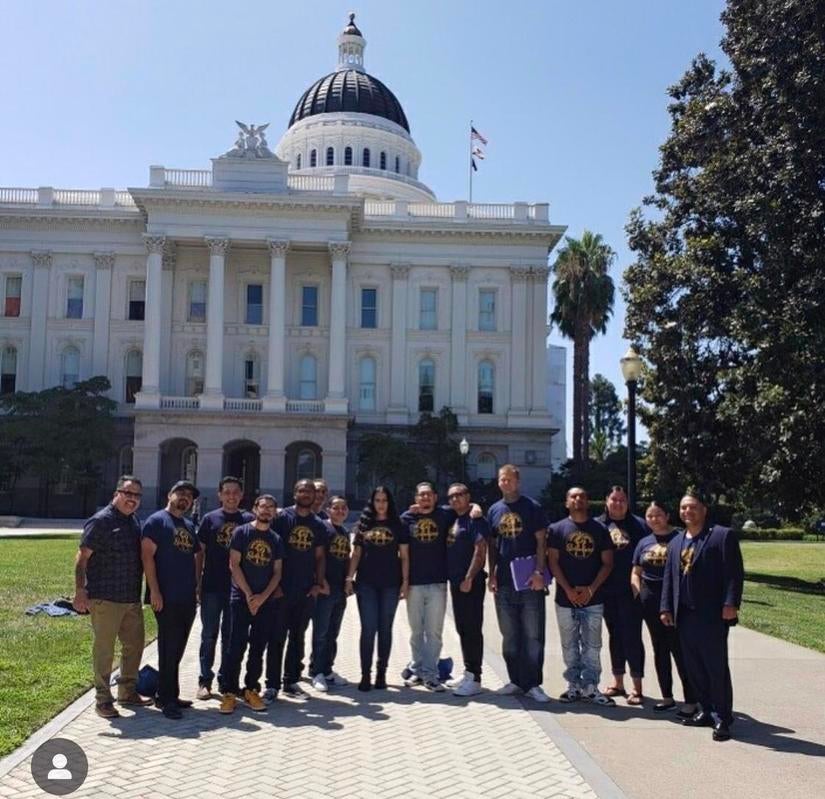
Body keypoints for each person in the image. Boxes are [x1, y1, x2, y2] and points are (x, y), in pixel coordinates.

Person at [660, 490, 744, 742]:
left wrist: (731, 603)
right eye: (683, 507)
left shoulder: (721, 536)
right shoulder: (676, 542)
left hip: (711, 615)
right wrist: (665, 607)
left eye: (692, 507)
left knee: (715, 667)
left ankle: (723, 717)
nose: (687, 511)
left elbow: (734, 573)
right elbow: (669, 579)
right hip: (684, 615)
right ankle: (706, 710)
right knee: (694, 666)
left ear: (704, 510)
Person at [73, 475, 151, 719]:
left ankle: (127, 692)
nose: (132, 499)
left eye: (137, 495)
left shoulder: (133, 521)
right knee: (105, 651)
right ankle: (103, 699)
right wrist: (80, 590)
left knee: (134, 646)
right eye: (128, 493)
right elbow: (81, 559)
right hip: (105, 598)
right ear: (117, 493)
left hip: (130, 598)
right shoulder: (101, 521)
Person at [487, 464, 551, 702]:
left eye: (509, 479)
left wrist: (539, 572)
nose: (505, 483)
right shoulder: (494, 510)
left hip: (529, 582)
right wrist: (491, 573)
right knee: (510, 635)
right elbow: (492, 545)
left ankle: (533, 684)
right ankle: (515, 681)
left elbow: (541, 542)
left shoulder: (532, 507)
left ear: (518, 481)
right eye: (502, 479)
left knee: (533, 635)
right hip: (504, 582)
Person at [547, 486, 616, 705]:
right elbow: (553, 561)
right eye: (573, 496)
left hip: (593, 599)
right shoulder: (556, 529)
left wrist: (590, 589)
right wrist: (568, 589)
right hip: (565, 599)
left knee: (592, 645)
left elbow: (608, 563)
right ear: (567, 502)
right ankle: (574, 685)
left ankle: (591, 687)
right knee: (569, 645)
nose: (578, 499)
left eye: (582, 496)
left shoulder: (600, 529)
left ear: (588, 501)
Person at [141, 480, 203, 719]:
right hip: (165, 597)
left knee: (178, 648)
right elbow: (147, 558)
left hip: (186, 597)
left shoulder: (188, 525)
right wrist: (154, 591)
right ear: (169, 494)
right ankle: (167, 700)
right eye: (181, 493)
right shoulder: (157, 521)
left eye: (190, 496)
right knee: (168, 647)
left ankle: (168, 692)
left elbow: (196, 555)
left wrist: (196, 586)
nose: (185, 498)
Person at [631, 501, 697, 717]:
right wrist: (638, 593)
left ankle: (691, 700)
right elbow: (636, 571)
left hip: (675, 604)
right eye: (649, 516)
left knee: (680, 650)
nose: (654, 519)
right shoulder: (644, 542)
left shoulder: (680, 538)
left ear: (667, 515)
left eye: (658, 515)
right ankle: (667, 697)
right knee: (659, 650)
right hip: (650, 604)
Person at [219, 494, 283, 714]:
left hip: (265, 601)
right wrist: (248, 595)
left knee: (258, 647)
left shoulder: (276, 539)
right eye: (263, 506)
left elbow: (277, 572)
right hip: (240, 598)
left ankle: (251, 689)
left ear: (274, 512)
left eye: (271, 507)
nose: (266, 510)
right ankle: (229, 692)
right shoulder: (241, 532)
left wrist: (262, 597)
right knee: (235, 646)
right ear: (255, 508)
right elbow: (234, 565)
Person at [264, 479, 327, 702]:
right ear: (294, 493)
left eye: (309, 491)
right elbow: (271, 551)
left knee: (297, 638)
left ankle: (290, 681)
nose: (306, 494)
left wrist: (318, 584)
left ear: (314, 495)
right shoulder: (281, 518)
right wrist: (273, 586)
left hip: (305, 590)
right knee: (276, 638)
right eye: (301, 490)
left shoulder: (318, 524)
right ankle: (272, 685)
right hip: (281, 590)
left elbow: (320, 557)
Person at [345, 486, 410, 691]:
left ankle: (382, 673)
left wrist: (405, 582)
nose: (381, 504)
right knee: (368, 629)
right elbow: (356, 554)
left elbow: (404, 556)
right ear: (372, 502)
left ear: (389, 502)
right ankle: (365, 674)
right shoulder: (364, 524)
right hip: (367, 584)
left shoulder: (398, 525)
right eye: (377, 500)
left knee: (385, 629)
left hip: (391, 583)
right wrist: (349, 578)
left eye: (384, 500)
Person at [196, 476, 253, 700]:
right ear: (220, 495)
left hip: (237, 590)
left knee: (231, 636)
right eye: (227, 492)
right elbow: (199, 553)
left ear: (241, 495)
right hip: (212, 586)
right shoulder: (210, 519)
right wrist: (197, 582)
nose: (231, 496)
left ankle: (226, 681)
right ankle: (204, 680)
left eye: (235, 492)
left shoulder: (248, 520)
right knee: (209, 635)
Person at [598, 485, 649, 705]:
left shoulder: (640, 526)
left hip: (632, 592)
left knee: (632, 637)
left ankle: (637, 687)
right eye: (614, 499)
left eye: (622, 500)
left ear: (627, 503)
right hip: (606, 591)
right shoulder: (598, 525)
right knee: (614, 636)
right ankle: (618, 682)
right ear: (606, 501)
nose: (618, 504)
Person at [399, 482, 451, 692]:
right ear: (416, 498)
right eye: (422, 495)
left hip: (438, 583)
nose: (425, 498)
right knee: (416, 631)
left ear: (435, 497)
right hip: (414, 584)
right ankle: (417, 670)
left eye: (429, 494)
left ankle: (431, 674)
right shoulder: (407, 518)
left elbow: (465, 508)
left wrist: (475, 507)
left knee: (434, 632)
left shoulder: (445, 515)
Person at [444, 483, 490, 697]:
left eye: (459, 495)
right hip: (456, 583)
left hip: (471, 583)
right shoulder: (453, 518)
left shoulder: (476, 520)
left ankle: (476, 678)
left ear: (468, 496)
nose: (455, 499)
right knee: (462, 628)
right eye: (451, 496)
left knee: (472, 629)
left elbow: (480, 550)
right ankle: (469, 672)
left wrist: (469, 577)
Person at [309, 495, 351, 692]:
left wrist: (348, 582)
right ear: (328, 510)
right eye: (336, 507)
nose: (340, 511)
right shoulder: (323, 529)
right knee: (321, 633)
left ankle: (327, 669)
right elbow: (315, 557)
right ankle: (316, 671)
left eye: (343, 508)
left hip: (339, 590)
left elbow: (346, 559)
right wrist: (321, 582)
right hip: (325, 590)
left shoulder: (344, 531)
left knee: (333, 632)